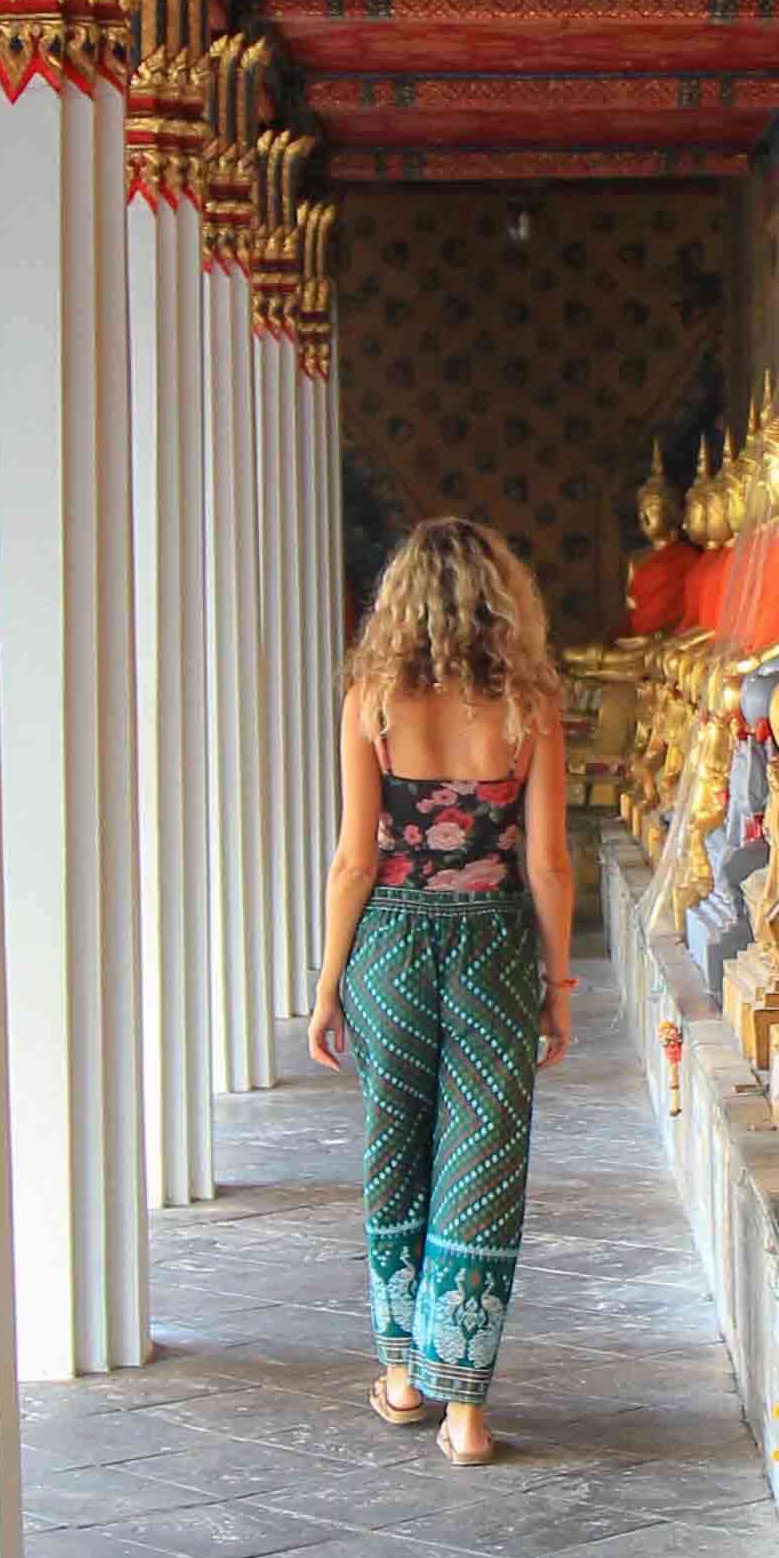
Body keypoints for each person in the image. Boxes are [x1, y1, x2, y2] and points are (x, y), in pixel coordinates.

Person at [309, 516, 576, 1464]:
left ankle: (403, 1377)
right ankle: (467, 1416)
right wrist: (558, 981)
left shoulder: (371, 701)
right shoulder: (528, 707)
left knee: (398, 1153)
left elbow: (353, 860)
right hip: (496, 948)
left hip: (390, 944)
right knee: (483, 1162)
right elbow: (546, 863)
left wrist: (330, 980)